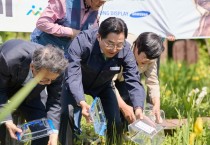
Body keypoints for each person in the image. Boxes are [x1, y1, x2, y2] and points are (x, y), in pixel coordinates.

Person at [60, 17, 146, 144]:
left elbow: (133, 79)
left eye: (119, 44)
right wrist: (81, 101)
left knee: (115, 121)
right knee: (67, 114)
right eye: (110, 43)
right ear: (99, 37)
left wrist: (138, 107)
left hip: (103, 85)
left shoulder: (125, 50)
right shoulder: (82, 42)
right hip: (77, 81)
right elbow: (73, 74)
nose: (114, 49)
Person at [0, 39, 68, 145]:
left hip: (32, 92)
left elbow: (55, 101)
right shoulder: (8, 59)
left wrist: (54, 131)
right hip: (4, 83)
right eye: (45, 79)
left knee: (44, 131)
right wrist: (6, 119)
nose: (49, 83)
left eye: (52, 80)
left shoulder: (58, 69)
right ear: (32, 67)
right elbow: (0, 90)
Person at [114, 32, 165, 125]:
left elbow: (152, 82)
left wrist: (156, 104)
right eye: (145, 57)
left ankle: (127, 131)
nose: (146, 62)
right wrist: (123, 107)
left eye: (150, 60)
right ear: (137, 47)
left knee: (135, 101)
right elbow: (109, 83)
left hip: (126, 80)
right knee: (113, 110)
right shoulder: (121, 48)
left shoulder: (151, 56)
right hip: (108, 77)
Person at [30, 0, 111, 57]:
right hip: (43, 48)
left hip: (66, 55)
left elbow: (91, 33)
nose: (102, 2)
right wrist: (71, 32)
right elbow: (42, 23)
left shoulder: (95, 6)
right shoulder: (63, 2)